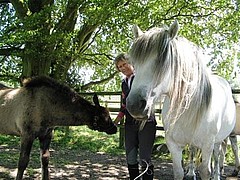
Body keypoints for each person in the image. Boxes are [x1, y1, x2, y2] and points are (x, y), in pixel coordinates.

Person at [114, 53, 156, 180]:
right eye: (119, 67)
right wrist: (115, 121)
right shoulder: (124, 83)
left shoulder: (143, 78)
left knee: (145, 157)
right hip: (130, 124)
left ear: (131, 62)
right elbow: (124, 105)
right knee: (130, 156)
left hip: (146, 122)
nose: (122, 68)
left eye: (124, 64)